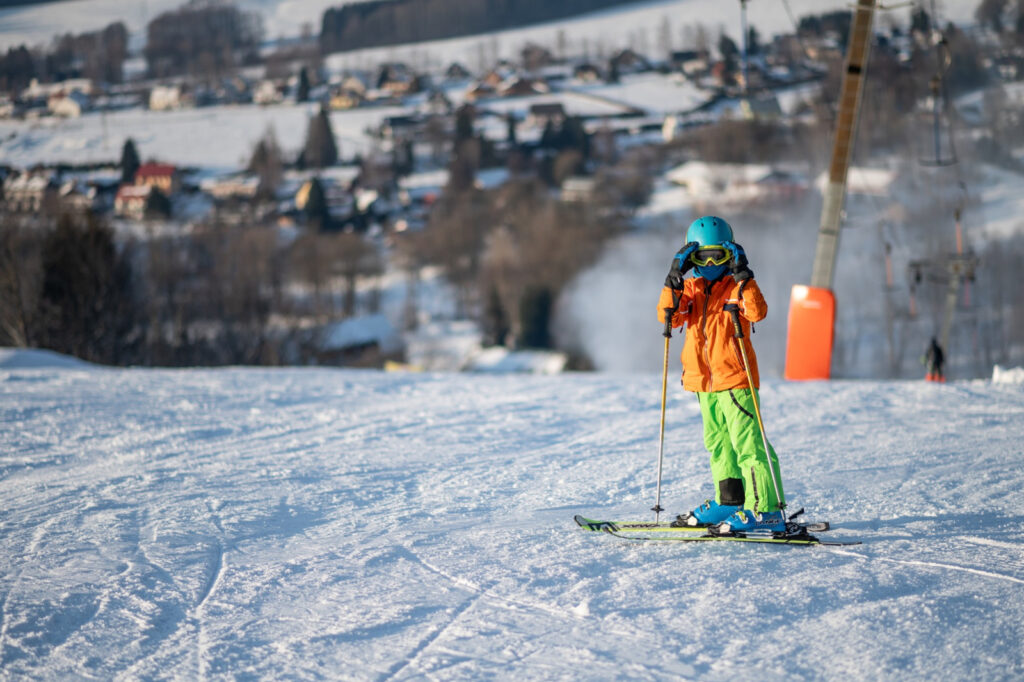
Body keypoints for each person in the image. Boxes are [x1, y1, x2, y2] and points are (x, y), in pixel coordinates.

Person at [657, 216, 787, 534]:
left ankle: (765, 509)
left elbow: (757, 312)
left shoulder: (736, 286)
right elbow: (669, 318)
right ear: (691, 258)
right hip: (704, 381)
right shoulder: (691, 288)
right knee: (718, 444)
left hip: (736, 379)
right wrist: (672, 280)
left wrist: (744, 276)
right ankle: (729, 501)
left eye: (720, 255)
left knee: (748, 445)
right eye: (703, 257)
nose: (712, 262)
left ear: (732, 255)